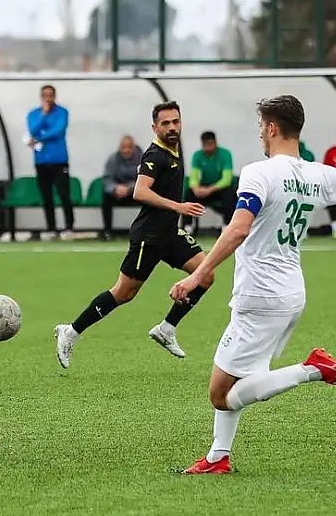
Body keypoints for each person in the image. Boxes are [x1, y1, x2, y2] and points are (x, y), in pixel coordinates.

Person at [170, 94, 336, 474]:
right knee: (244, 377)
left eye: (261, 127)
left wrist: (197, 274)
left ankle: (314, 368)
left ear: (271, 128)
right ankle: (218, 456)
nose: (260, 134)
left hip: (259, 295)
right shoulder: (316, 173)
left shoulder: (258, 173)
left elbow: (239, 228)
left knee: (220, 395)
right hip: (290, 293)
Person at [54, 101, 212, 367]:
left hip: (169, 233)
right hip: (148, 237)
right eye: (165, 123)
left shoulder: (174, 151)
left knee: (205, 274)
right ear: (155, 127)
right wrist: (178, 206)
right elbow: (140, 192)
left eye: (176, 121)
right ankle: (70, 332)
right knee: (124, 293)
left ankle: (167, 328)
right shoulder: (155, 155)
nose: (172, 127)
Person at [27, 84, 74, 238]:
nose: (48, 98)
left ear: (55, 96)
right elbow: (32, 130)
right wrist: (44, 115)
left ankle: (69, 226)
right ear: (41, 97)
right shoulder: (34, 114)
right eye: (45, 95)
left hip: (59, 160)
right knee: (46, 196)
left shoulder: (62, 112)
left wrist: (40, 137)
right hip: (41, 161)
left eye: (51, 95)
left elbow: (58, 131)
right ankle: (51, 227)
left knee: (63, 193)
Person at [187, 131, 239, 229]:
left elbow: (226, 180)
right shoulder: (198, 155)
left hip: (220, 188)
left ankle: (226, 226)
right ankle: (187, 227)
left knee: (229, 193)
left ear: (215, 143)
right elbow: (194, 177)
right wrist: (195, 189)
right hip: (205, 187)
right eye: (205, 144)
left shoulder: (225, 154)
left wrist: (209, 190)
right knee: (189, 193)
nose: (208, 147)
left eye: (210, 144)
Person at [99, 135, 142, 240]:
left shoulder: (143, 159)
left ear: (134, 147)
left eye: (129, 147)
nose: (126, 150)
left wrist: (130, 188)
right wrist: (115, 188)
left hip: (136, 192)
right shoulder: (113, 159)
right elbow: (107, 179)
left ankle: (145, 231)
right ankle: (108, 231)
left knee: (150, 199)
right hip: (117, 193)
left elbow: (145, 179)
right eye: (123, 147)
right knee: (106, 197)